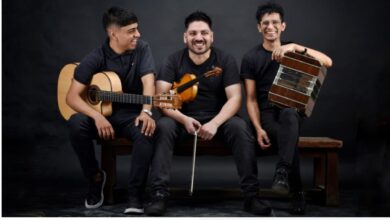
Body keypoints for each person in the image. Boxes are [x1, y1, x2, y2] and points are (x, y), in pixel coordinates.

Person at [145, 11, 271, 216]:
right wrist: (184, 119)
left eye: (204, 33)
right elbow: (161, 100)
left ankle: (252, 196)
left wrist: (215, 123)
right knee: (164, 126)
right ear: (185, 37)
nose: (199, 38)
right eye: (193, 33)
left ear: (212, 36)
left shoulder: (225, 60)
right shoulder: (172, 61)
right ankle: (159, 195)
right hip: (181, 120)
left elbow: (235, 99)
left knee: (240, 128)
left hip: (219, 120)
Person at [241, 2, 333, 215]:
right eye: (265, 23)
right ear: (258, 27)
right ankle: (297, 191)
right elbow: (252, 99)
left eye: (275, 22)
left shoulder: (295, 49)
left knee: (290, 114)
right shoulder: (250, 58)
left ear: (283, 26)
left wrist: (294, 48)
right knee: (287, 136)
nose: (270, 27)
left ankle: (282, 172)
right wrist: (258, 128)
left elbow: (327, 62)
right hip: (267, 113)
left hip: (292, 109)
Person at [66, 6, 156, 214]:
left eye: (137, 29)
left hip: (130, 115)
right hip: (100, 115)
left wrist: (146, 111)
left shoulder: (142, 48)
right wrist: (96, 116)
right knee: (75, 123)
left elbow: (148, 82)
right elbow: (71, 96)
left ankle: (135, 195)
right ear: (113, 33)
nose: (138, 34)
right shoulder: (96, 56)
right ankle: (95, 177)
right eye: (131, 31)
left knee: (147, 130)